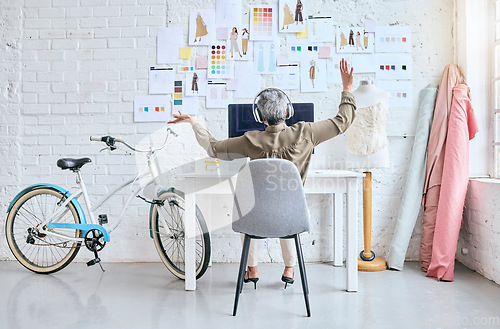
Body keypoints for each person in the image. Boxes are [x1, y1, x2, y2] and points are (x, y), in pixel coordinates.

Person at [168, 59, 356, 288]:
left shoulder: (249, 140)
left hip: (256, 218)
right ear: (288, 111)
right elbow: (342, 122)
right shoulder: (307, 132)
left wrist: (193, 122)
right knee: (286, 206)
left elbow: (213, 148)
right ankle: (289, 269)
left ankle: (252, 269)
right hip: (293, 215)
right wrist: (346, 89)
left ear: (260, 117)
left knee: (245, 207)